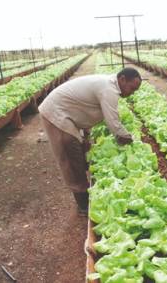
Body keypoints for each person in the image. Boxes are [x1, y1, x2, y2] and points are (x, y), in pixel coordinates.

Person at [38, 67, 142, 214]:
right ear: (123, 79)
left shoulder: (109, 85)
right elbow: (113, 121)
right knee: (70, 155)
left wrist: (86, 135)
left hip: (66, 112)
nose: (131, 93)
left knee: (79, 150)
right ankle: (83, 204)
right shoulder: (109, 89)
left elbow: (86, 109)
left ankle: (85, 190)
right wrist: (128, 139)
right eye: (132, 88)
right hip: (56, 113)